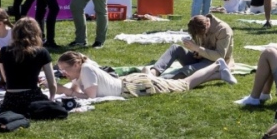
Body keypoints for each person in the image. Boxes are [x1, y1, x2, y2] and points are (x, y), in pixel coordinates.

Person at [58, 49, 232, 99]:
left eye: (65, 69)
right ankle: (218, 75)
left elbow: (91, 96)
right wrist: (67, 87)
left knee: (184, 85)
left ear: (76, 64)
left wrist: (65, 91)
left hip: (136, 87)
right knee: (179, 84)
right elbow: (76, 86)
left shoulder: (86, 70)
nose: (63, 73)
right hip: (132, 83)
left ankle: (217, 64)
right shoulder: (82, 69)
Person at [0, 18, 57, 115]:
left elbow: (6, 79)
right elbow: (52, 83)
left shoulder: (4, 51)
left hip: (11, 99)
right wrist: (52, 97)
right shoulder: (42, 52)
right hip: (32, 97)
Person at [149, 14, 235, 79]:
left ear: (207, 25)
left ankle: (161, 80)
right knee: (175, 48)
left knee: (188, 69)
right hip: (202, 59)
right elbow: (202, 48)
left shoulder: (223, 30)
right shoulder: (200, 25)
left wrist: (197, 48)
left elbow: (219, 56)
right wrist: (197, 52)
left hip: (215, 64)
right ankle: (153, 72)